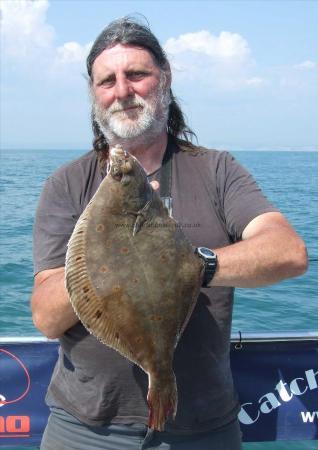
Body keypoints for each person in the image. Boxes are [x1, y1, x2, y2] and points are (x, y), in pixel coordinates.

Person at [31, 17, 308, 450]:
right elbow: (46, 319)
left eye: (137, 74)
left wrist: (189, 263)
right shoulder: (67, 184)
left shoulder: (217, 170)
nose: (123, 91)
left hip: (202, 427)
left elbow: (289, 252)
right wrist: (107, 257)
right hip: (86, 428)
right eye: (107, 81)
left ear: (165, 78)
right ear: (93, 94)